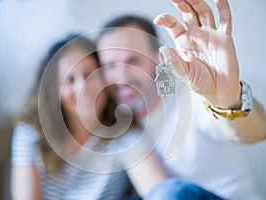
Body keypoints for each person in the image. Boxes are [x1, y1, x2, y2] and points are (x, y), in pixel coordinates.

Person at [96, 0, 266, 199]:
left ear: (158, 60)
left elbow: (256, 132)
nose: (122, 77)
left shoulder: (192, 97)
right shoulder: (116, 128)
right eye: (109, 65)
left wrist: (227, 98)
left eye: (133, 60)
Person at [10, 34, 167, 199]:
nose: (83, 87)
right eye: (69, 80)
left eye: (90, 75)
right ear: (54, 91)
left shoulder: (123, 137)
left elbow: (161, 191)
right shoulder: (31, 134)